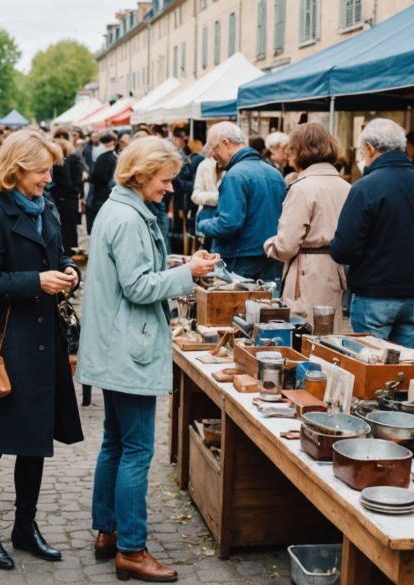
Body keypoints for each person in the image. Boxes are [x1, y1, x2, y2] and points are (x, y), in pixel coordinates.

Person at [76, 136, 219, 582]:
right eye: (164, 179)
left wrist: (177, 264)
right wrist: (186, 274)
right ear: (140, 175)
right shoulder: (129, 218)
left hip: (114, 343)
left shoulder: (118, 210)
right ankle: (132, 550)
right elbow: (138, 286)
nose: (170, 188)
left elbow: (132, 275)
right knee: (136, 449)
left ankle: (108, 533)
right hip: (128, 348)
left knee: (115, 443)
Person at [0, 129, 84, 570]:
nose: (49, 179)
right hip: (3, 345)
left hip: (40, 341)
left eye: (50, 169)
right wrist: (37, 281)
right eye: (42, 171)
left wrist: (66, 270)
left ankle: (25, 527)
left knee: (34, 441)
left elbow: (59, 253)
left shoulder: (44, 205)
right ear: (17, 169)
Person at [330, 118, 414, 349]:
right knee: (403, 370)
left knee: (371, 369)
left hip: (374, 293)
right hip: (413, 295)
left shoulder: (364, 187)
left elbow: (345, 249)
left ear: (370, 148)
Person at [263, 123, 349, 329]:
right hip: (334, 268)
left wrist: (271, 245)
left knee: (304, 334)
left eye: (291, 148)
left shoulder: (302, 187)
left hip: (307, 272)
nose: (288, 153)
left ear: (300, 150)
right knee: (328, 335)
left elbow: (286, 246)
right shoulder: (346, 186)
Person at [197, 122, 286, 281]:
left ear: (225, 143)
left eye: (213, 149)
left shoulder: (234, 176)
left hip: (241, 259)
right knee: (265, 304)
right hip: (270, 257)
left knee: (239, 305)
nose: (212, 155)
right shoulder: (275, 174)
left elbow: (229, 224)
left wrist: (203, 224)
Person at [50, 138, 83, 256]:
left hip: (65, 201)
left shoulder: (61, 163)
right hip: (67, 200)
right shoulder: (64, 162)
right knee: (67, 228)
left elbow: (68, 184)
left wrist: (59, 195)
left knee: (66, 228)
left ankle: (67, 253)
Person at [86, 133, 118, 234]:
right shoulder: (110, 156)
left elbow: (97, 176)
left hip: (100, 193)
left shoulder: (103, 156)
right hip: (105, 192)